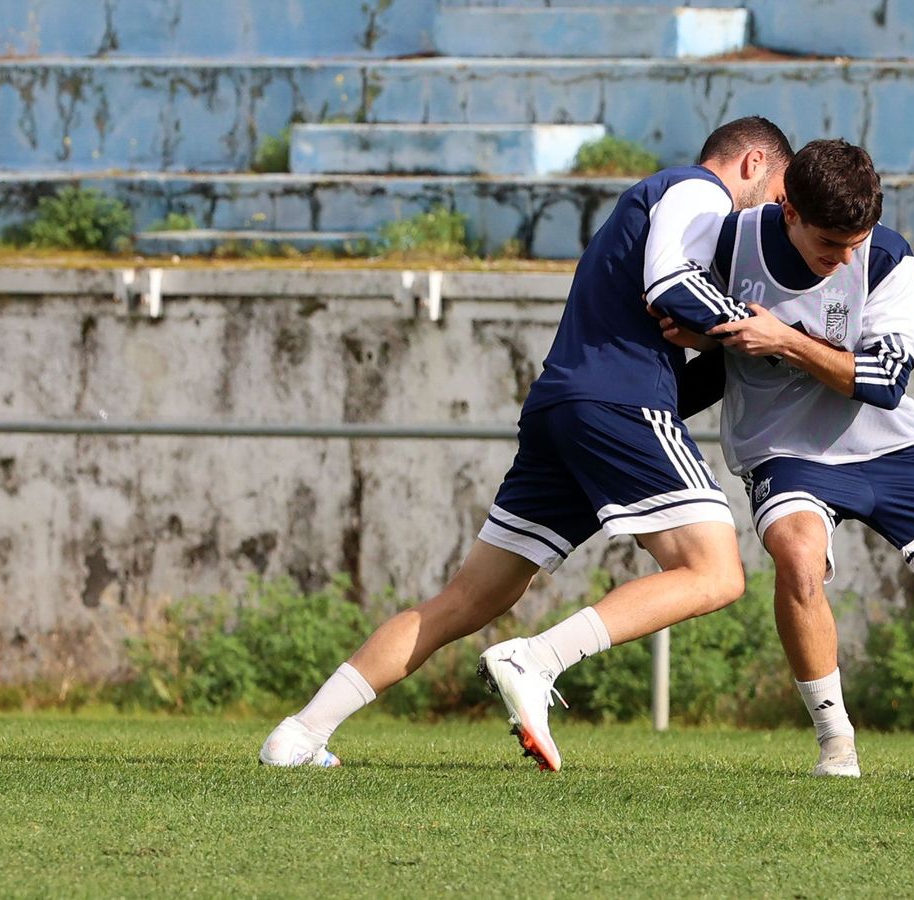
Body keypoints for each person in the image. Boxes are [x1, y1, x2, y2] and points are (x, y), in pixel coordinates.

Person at [259, 117, 794, 771]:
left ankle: (300, 733)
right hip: (617, 401)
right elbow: (668, 286)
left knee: (470, 599)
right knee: (715, 573)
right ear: (755, 162)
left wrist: (718, 337)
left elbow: (669, 312)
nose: (777, 213)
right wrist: (755, 327)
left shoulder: (657, 202)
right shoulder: (695, 191)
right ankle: (534, 659)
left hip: (565, 406)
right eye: (780, 194)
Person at [668, 139, 914, 778]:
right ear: (789, 210)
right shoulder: (728, 242)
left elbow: (884, 379)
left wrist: (781, 338)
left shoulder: (886, 255)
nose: (845, 259)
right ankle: (837, 745)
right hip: (784, 449)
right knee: (797, 560)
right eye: (832, 244)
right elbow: (677, 318)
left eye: (856, 242)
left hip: (889, 445)